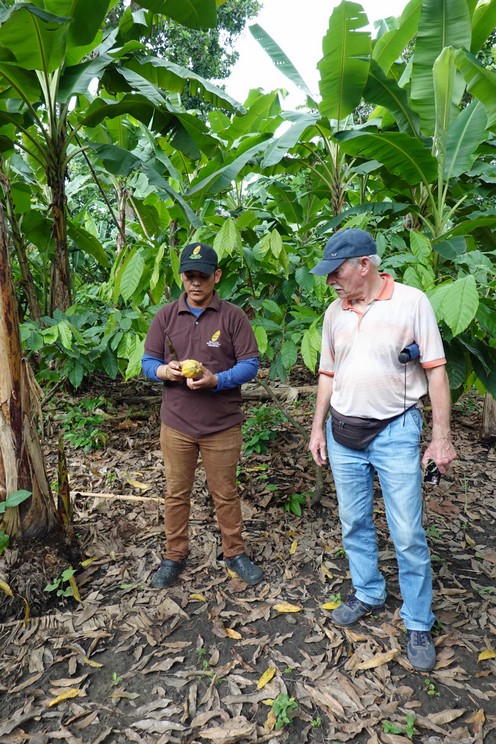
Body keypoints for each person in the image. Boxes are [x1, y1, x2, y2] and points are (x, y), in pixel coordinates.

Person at [308, 228, 456, 672]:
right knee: (353, 521)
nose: (330, 281)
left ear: (364, 265)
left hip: (396, 429)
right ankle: (368, 591)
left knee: (407, 531)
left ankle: (418, 620)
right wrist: (317, 429)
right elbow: (327, 374)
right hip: (343, 432)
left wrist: (441, 437)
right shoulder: (334, 313)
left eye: (336, 272)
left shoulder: (412, 302)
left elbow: (436, 371)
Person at [142, 242, 263, 588]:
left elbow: (250, 364)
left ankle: (235, 552)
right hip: (177, 423)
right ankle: (174, 555)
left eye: (203, 276)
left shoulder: (233, 316)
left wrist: (216, 380)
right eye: (189, 275)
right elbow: (148, 363)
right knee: (176, 493)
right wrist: (165, 371)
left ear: (217, 276)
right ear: (181, 276)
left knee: (225, 492)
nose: (195, 282)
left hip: (221, 424)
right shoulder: (166, 316)